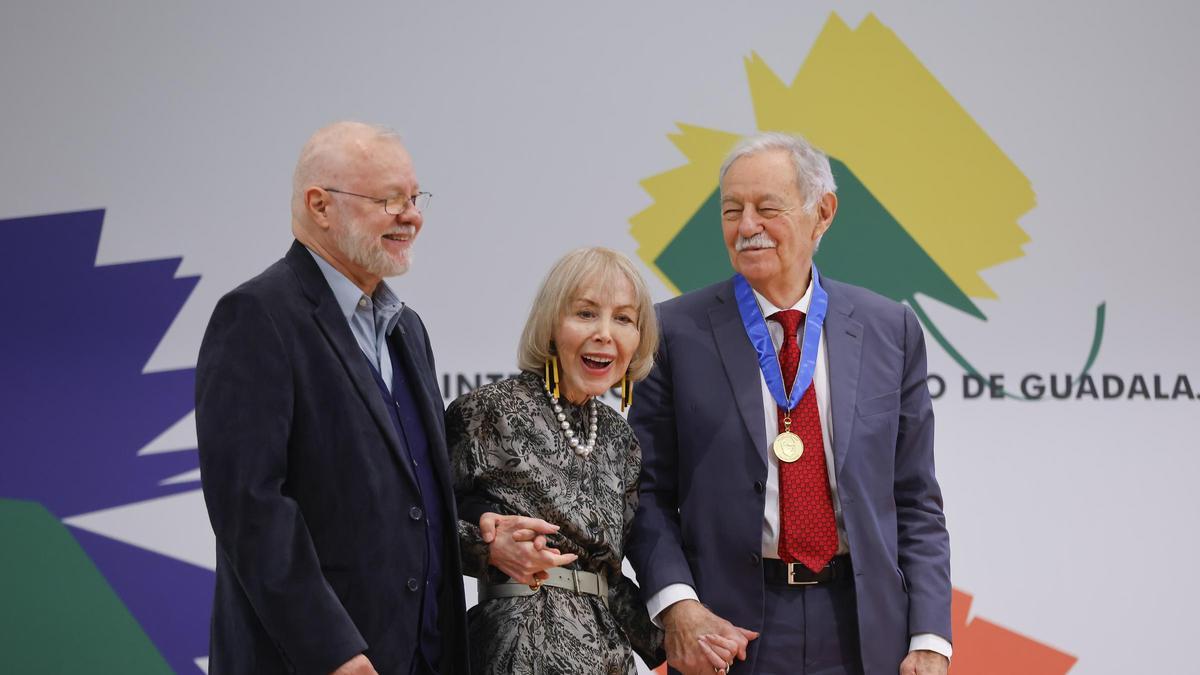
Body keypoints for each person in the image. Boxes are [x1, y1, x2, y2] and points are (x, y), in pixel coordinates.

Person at [626, 132, 952, 675]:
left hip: (867, 630)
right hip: (728, 632)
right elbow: (645, 491)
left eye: (766, 208)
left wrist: (931, 637)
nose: (746, 226)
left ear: (822, 213)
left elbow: (916, 498)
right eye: (732, 210)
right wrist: (678, 605)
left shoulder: (888, 328)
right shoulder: (671, 331)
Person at [196, 121, 468, 675]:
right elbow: (252, 509)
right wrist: (333, 651)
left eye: (415, 199)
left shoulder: (406, 328)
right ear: (320, 206)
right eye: (389, 199)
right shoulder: (256, 317)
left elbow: (413, 500)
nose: (411, 216)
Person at [446, 247, 668, 674]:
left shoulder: (620, 440)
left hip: (605, 660)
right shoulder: (488, 411)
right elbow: (420, 526)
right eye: (586, 314)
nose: (605, 333)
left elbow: (608, 582)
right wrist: (488, 547)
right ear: (551, 325)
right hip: (516, 653)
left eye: (623, 318)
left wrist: (676, 643)